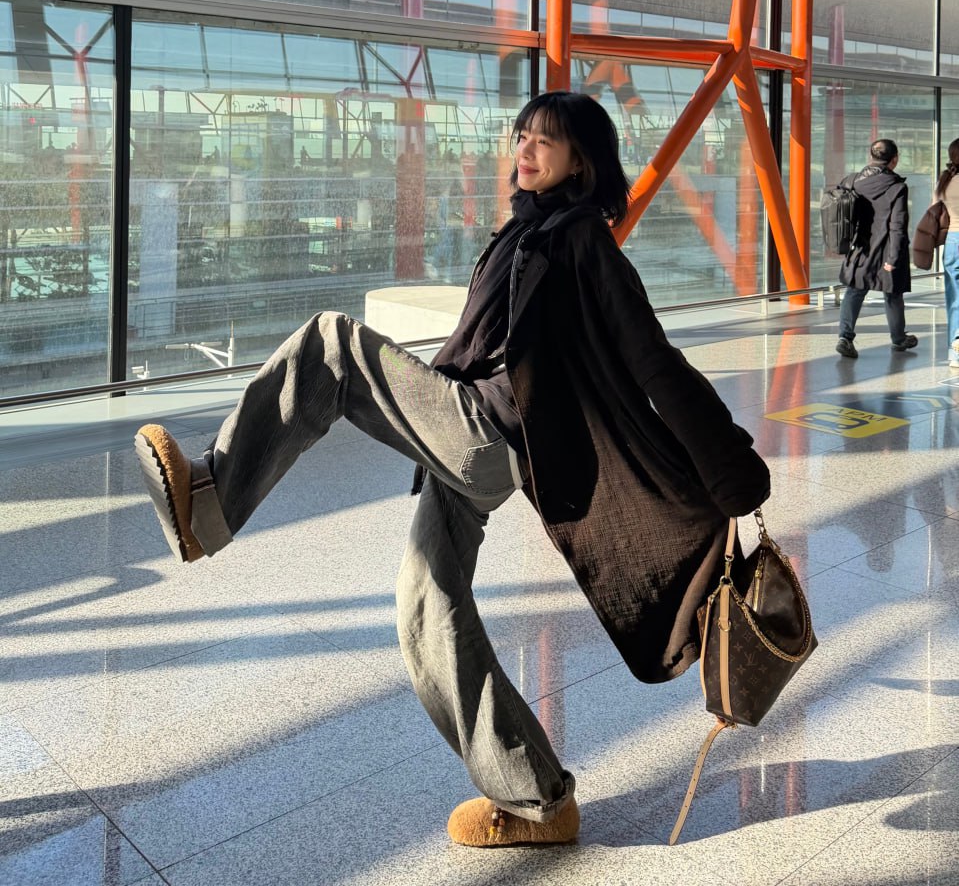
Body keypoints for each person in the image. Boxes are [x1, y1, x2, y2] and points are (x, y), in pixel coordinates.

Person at [134, 91, 770, 849]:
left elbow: (654, 361)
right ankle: (537, 800)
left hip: (488, 432)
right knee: (426, 607)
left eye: (544, 141)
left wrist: (732, 472)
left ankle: (210, 504)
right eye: (520, 136)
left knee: (331, 345)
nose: (524, 150)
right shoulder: (526, 231)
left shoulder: (582, 240)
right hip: (473, 431)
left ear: (582, 162)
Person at [836, 137, 916, 359]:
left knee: (854, 291)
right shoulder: (897, 187)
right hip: (887, 248)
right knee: (893, 293)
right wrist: (893, 258)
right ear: (894, 159)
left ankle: (845, 337)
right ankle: (898, 339)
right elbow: (897, 226)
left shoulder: (852, 181)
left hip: (859, 248)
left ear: (870, 157)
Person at [933, 138, 959, 369]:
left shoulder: (944, 181)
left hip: (952, 242)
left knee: (954, 300)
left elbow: (934, 210)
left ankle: (955, 353)